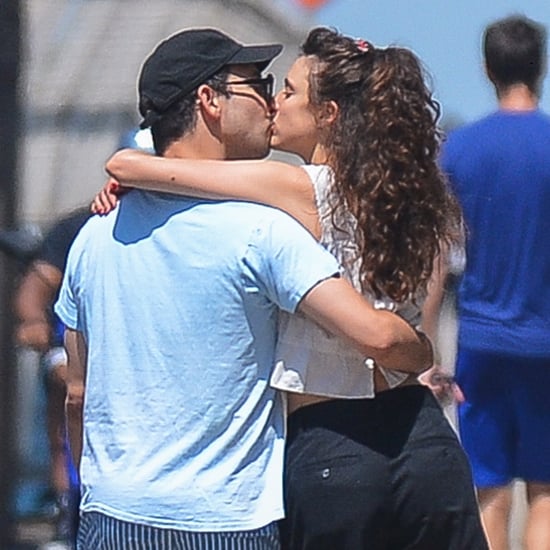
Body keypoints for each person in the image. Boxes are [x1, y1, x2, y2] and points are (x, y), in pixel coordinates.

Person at [96, 27, 488, 550]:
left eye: (289, 92)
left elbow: (135, 164)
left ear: (327, 115)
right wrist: (420, 349)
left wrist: (127, 176)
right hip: (423, 437)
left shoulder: (297, 187)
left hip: (335, 442)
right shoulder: (408, 191)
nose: (273, 101)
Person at [440, 15, 550, 550]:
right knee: (546, 497)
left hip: (481, 339)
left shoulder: (459, 150)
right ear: (542, 66)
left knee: (489, 495)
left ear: (487, 69)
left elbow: (438, 254)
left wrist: (422, 334)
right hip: (547, 342)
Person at [14, 206, 90, 549]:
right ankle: (65, 510)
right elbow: (35, 290)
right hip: (72, 349)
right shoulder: (82, 226)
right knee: (68, 397)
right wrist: (35, 325)